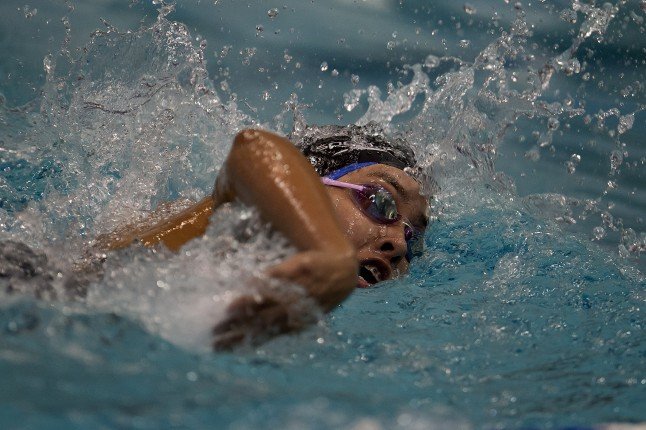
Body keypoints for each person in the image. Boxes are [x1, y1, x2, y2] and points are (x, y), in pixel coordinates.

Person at [95, 123, 431, 347]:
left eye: (412, 237)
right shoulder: (229, 224)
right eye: (380, 201)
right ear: (311, 183)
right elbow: (255, 148)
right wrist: (329, 257)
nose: (399, 243)